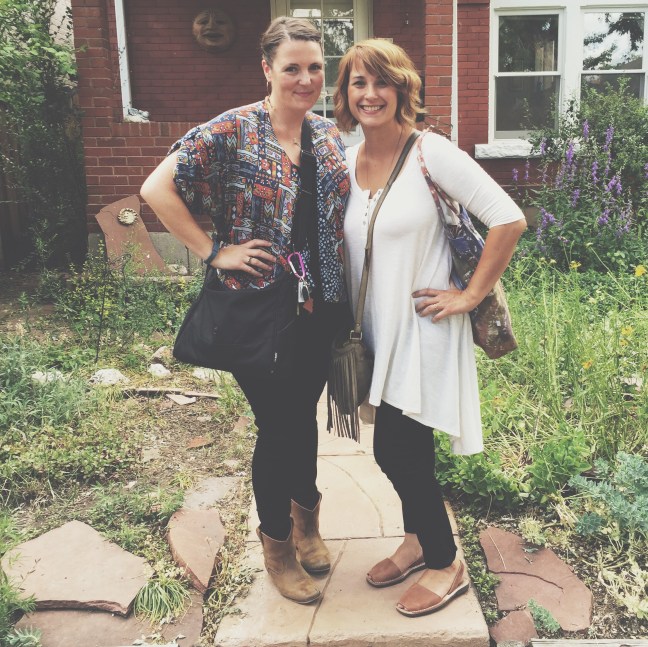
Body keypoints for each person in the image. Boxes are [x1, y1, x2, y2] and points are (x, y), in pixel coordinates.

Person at [141, 17, 350, 605]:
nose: (306, 79)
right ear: (267, 69)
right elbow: (156, 189)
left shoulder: (328, 134)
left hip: (318, 304)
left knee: (301, 418)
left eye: (315, 68)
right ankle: (277, 545)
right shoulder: (233, 129)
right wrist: (214, 252)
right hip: (256, 308)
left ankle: (307, 523)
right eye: (292, 68)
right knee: (278, 426)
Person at [333, 39, 526, 617]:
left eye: (381, 82)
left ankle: (445, 561)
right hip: (375, 330)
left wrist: (470, 295)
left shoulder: (430, 152)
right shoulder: (347, 159)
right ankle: (417, 540)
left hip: (422, 328)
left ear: (402, 90)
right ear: (344, 94)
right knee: (400, 449)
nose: (370, 94)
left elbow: (508, 218)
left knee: (398, 450)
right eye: (358, 83)